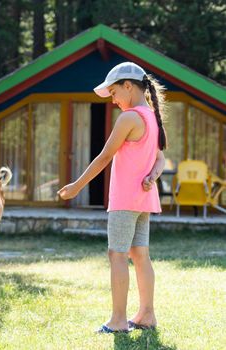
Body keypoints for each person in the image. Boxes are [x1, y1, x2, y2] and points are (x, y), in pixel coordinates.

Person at [58, 62, 166, 333]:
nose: (114, 100)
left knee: (116, 255)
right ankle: (146, 315)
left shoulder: (130, 118)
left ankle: (118, 321)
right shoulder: (151, 117)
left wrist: (77, 186)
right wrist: (153, 176)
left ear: (128, 86)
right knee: (140, 255)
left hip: (125, 199)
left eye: (114, 92)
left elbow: (105, 156)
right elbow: (160, 157)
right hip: (143, 199)